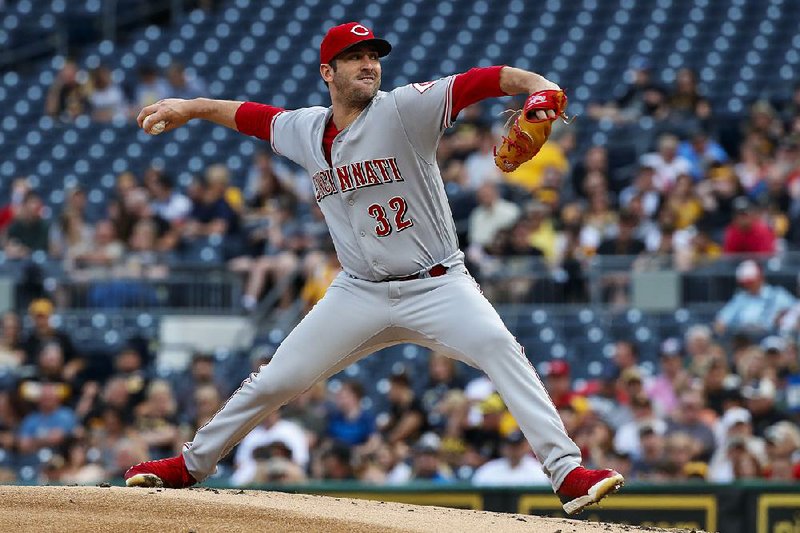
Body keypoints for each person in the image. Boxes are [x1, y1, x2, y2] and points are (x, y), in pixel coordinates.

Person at [124, 21, 623, 514]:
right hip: (358, 292)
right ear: (328, 71)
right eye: (355, 57)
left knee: (500, 348)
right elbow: (249, 115)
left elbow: (488, 79)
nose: (370, 64)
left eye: (375, 56)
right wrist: (190, 107)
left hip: (437, 285)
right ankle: (190, 466)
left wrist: (540, 87)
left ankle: (567, 473)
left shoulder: (406, 108)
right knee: (277, 380)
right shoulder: (305, 129)